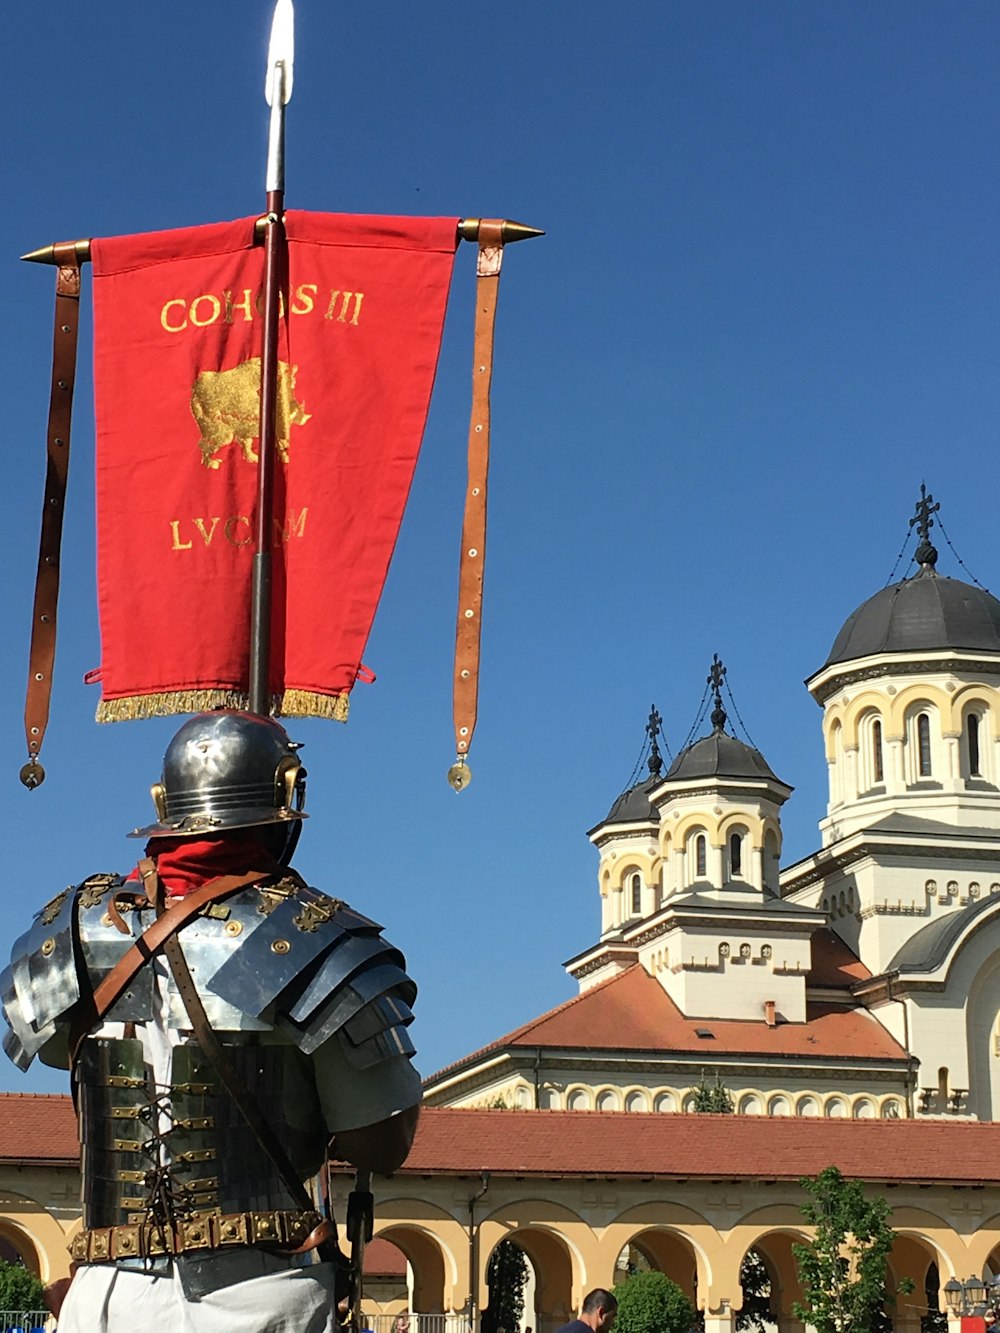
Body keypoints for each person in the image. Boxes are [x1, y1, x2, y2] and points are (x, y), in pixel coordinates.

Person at [1, 711, 422, 1333]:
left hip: (104, 1300)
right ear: (286, 797)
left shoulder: (73, 931)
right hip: (260, 1296)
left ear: (163, 806)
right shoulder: (321, 939)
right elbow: (382, 1143)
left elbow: (62, 1055)